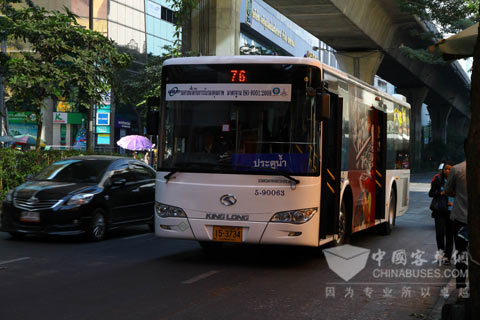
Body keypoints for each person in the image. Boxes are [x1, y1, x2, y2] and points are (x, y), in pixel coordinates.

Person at [444, 160, 468, 290]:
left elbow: (447, 190)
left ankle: (461, 287)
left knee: (461, 254)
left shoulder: (457, 169)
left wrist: (458, 195)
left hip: (461, 218)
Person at [429, 162, 453, 265]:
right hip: (439, 210)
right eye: (446, 169)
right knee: (440, 233)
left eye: (450, 169)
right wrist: (441, 193)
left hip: (452, 211)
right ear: (443, 170)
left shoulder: (455, 180)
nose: (447, 171)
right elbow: (431, 194)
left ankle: (447, 257)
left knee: (450, 235)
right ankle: (441, 253)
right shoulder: (438, 179)